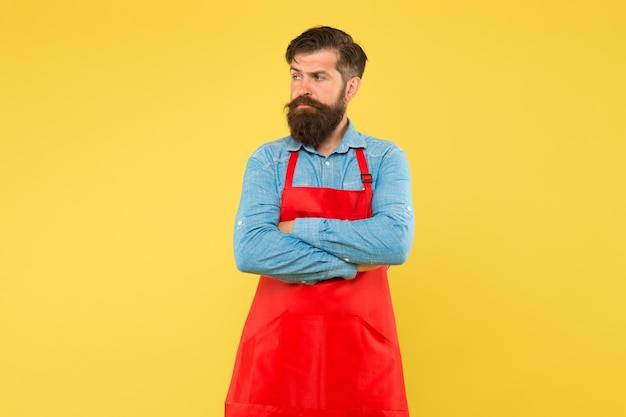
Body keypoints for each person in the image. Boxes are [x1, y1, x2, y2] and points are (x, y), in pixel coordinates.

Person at [225, 26, 415, 417]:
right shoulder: (268, 160)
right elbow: (251, 251)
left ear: (351, 88)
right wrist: (352, 264)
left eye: (318, 77)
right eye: (296, 75)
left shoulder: (384, 158)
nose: (302, 89)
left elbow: (393, 243)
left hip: (362, 353)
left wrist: (299, 227)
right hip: (277, 352)